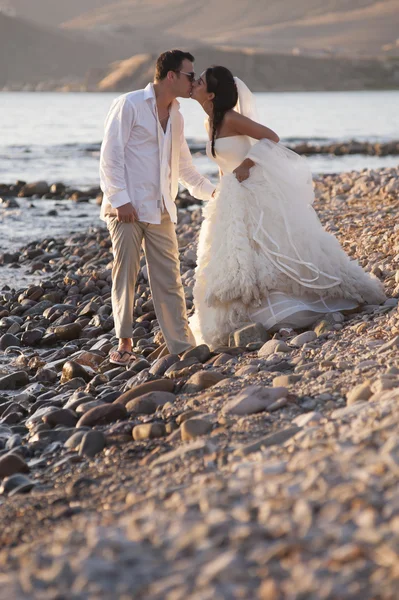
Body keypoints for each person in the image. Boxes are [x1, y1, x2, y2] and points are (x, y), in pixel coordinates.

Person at [189, 66, 386, 348]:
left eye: (200, 81)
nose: (194, 83)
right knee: (238, 255)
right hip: (231, 195)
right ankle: (247, 313)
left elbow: (271, 137)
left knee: (270, 249)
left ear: (210, 94)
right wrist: (221, 191)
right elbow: (224, 163)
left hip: (252, 190)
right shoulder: (210, 124)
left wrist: (247, 164)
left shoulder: (232, 118)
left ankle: (301, 304)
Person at [99, 50, 215, 365]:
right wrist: (120, 200)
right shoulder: (130, 104)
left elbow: (185, 169)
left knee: (170, 280)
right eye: (190, 75)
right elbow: (110, 156)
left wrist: (214, 192)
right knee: (125, 275)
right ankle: (124, 344)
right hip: (127, 209)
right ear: (171, 76)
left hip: (161, 208)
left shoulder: (176, 115)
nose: (194, 81)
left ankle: (181, 346)